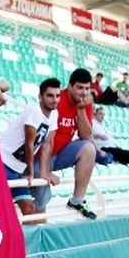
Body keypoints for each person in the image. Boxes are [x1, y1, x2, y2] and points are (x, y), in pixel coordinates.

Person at [0, 78, 60, 220]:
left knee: (29, 208)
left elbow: (47, 144)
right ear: (40, 97)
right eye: (50, 95)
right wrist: (31, 173)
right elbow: (29, 144)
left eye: (57, 96)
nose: (54, 100)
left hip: (17, 168)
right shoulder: (34, 110)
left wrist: (46, 172)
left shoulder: (54, 114)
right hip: (2, 160)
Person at [44, 68, 99, 219]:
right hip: (42, 154)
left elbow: (85, 134)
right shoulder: (56, 98)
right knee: (39, 196)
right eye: (80, 88)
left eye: (87, 88)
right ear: (69, 86)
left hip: (60, 153)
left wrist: (81, 109)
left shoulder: (85, 103)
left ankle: (77, 200)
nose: (83, 92)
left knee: (89, 148)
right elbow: (41, 136)